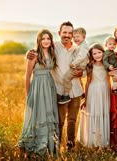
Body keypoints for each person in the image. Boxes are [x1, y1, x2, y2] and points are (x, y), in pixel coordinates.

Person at [27, 21, 83, 151]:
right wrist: (30, 53)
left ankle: (70, 146)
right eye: (64, 32)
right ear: (59, 33)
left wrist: (82, 74)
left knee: (72, 120)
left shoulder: (78, 49)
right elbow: (41, 50)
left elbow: (85, 67)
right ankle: (56, 147)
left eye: (70, 33)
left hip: (76, 90)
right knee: (59, 121)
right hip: (59, 91)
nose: (67, 35)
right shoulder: (54, 47)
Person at [18, 29, 59, 157]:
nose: (46, 41)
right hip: (37, 88)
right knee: (38, 115)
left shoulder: (52, 53)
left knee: (49, 115)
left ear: (51, 40)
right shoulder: (33, 55)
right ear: (39, 40)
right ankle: (37, 147)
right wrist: (28, 95)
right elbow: (27, 76)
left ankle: (50, 147)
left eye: (48, 38)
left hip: (49, 86)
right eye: (43, 39)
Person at [77, 43, 110, 147]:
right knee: (94, 113)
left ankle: (102, 140)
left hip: (105, 91)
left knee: (103, 113)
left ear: (103, 52)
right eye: (94, 53)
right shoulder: (90, 66)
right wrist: (85, 98)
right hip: (93, 92)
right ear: (91, 55)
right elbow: (87, 82)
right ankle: (92, 140)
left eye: (99, 52)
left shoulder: (107, 65)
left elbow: (110, 79)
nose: (97, 55)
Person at [58, 27, 89, 104]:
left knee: (66, 77)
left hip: (78, 66)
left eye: (77, 37)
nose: (75, 39)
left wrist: (73, 63)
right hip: (78, 66)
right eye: (74, 37)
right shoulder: (79, 46)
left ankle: (66, 95)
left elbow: (81, 57)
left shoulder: (83, 47)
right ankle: (79, 94)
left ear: (84, 37)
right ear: (59, 33)